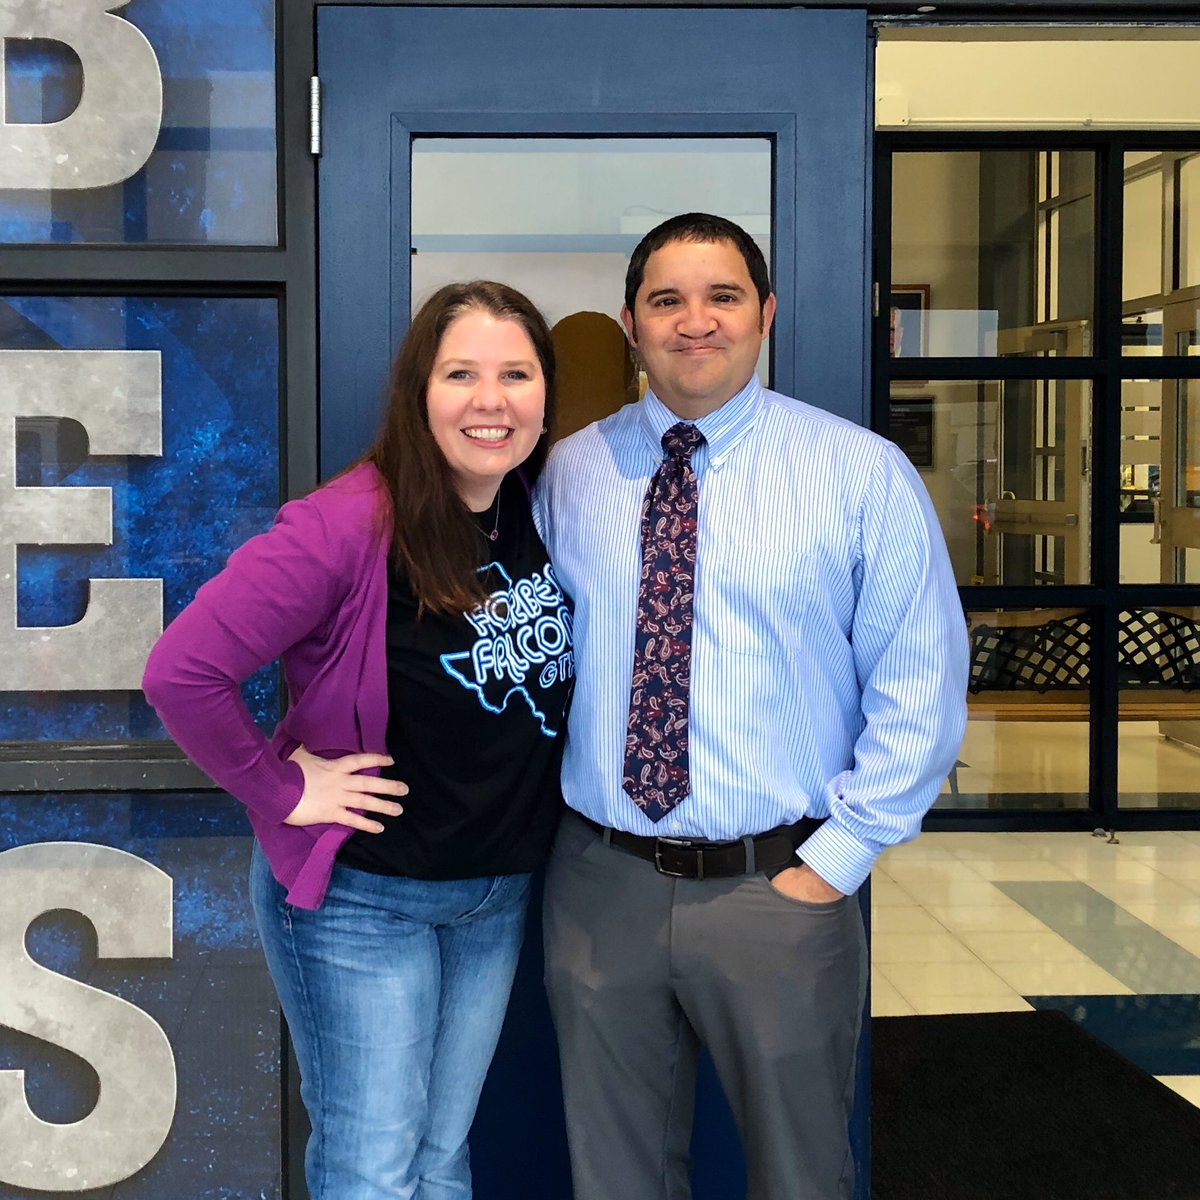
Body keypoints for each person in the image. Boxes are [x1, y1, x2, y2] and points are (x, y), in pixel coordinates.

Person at [535, 214, 968, 1200]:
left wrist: (838, 860)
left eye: (722, 297)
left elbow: (921, 685)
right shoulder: (569, 473)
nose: (695, 322)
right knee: (615, 1179)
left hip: (777, 886)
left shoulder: (859, 473)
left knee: (800, 1177)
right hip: (600, 886)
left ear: (765, 314)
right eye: (667, 301)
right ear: (631, 324)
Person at [142, 281, 573, 1200]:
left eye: (516, 374)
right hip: (364, 900)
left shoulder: (535, 508)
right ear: (419, 392)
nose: (491, 400)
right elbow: (182, 672)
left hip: (492, 893)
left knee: (441, 1158)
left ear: (545, 394)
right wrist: (283, 789)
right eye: (460, 374)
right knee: (372, 1169)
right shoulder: (344, 523)